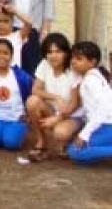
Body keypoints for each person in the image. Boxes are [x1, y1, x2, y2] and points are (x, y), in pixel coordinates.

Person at [26, 33, 83, 162]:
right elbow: (35, 89)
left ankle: (72, 139)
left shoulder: (73, 70)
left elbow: (76, 104)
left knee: (60, 133)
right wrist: (55, 97)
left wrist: (57, 118)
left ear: (66, 52)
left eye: (58, 51)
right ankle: (42, 142)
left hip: (73, 115)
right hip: (54, 110)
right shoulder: (45, 64)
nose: (53, 56)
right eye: (49, 52)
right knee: (32, 101)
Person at [66, 41, 112, 165]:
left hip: (106, 125)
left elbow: (103, 107)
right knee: (84, 159)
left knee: (75, 151)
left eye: (79, 59)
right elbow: (87, 107)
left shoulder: (91, 80)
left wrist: (85, 134)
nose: (73, 61)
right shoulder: (88, 77)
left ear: (92, 62)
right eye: (73, 58)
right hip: (102, 125)